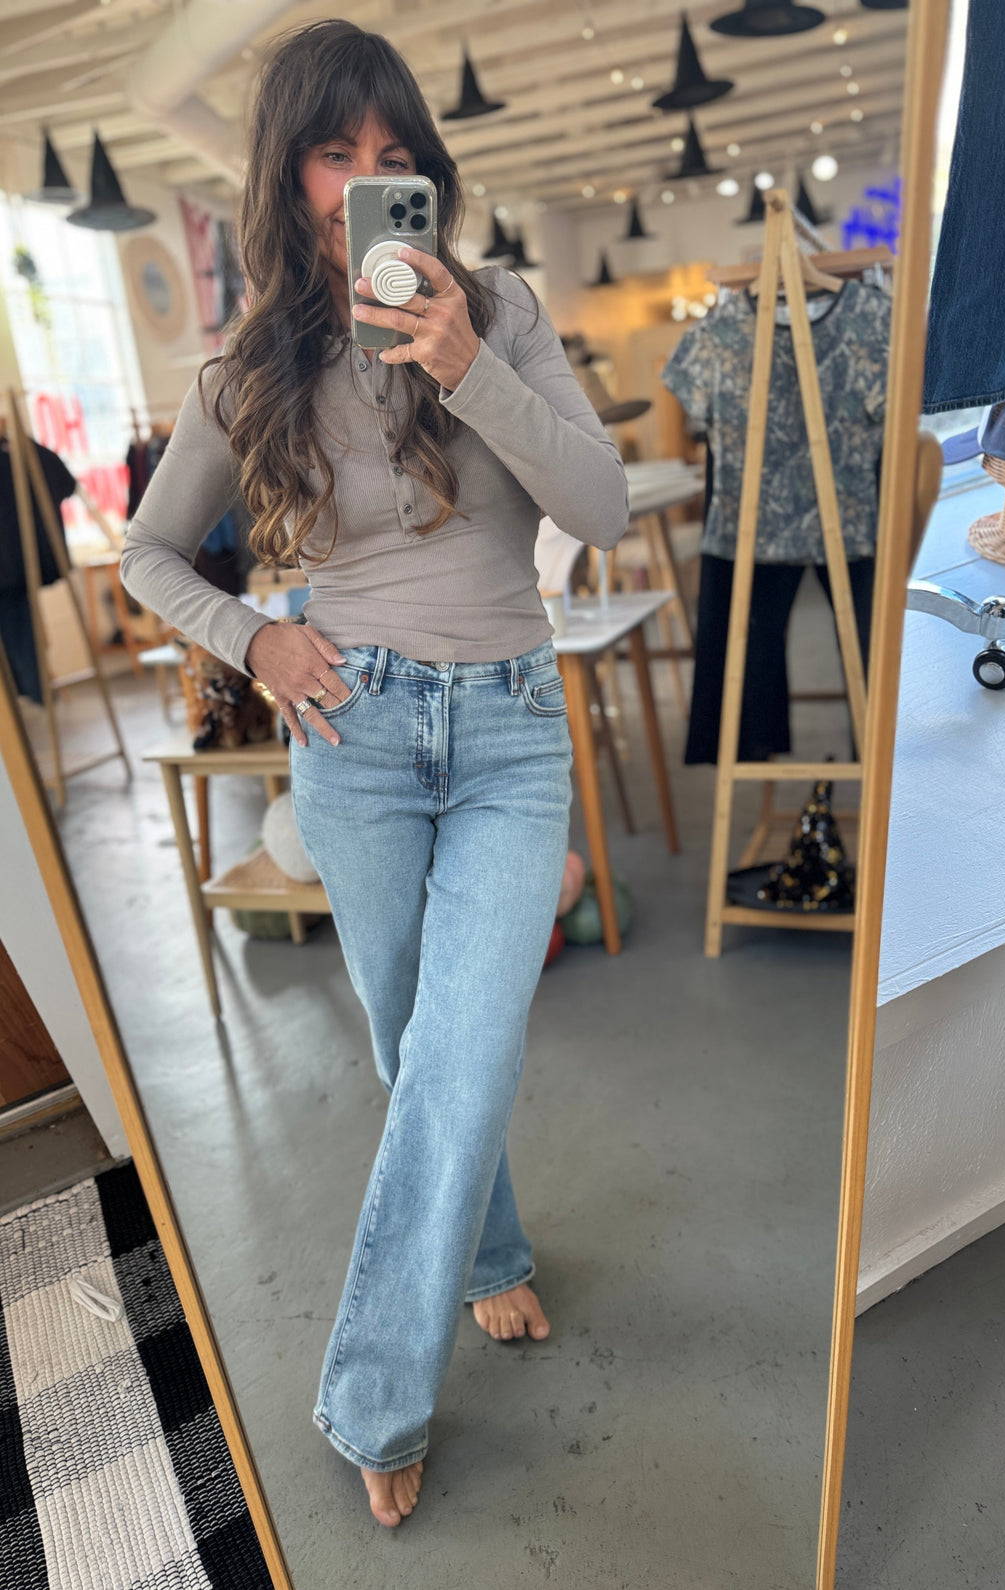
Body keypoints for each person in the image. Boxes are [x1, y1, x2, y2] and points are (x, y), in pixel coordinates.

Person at [120, 19, 628, 1529]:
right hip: (355, 732)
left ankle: (377, 1391)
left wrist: (470, 364)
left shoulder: (506, 313)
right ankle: (486, 1256)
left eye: (393, 158)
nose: (366, 184)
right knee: (423, 1048)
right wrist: (252, 644)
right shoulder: (250, 369)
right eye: (335, 156)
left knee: (463, 1043)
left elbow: (595, 504)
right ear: (288, 180)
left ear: (426, 173)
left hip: (511, 730)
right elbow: (148, 551)